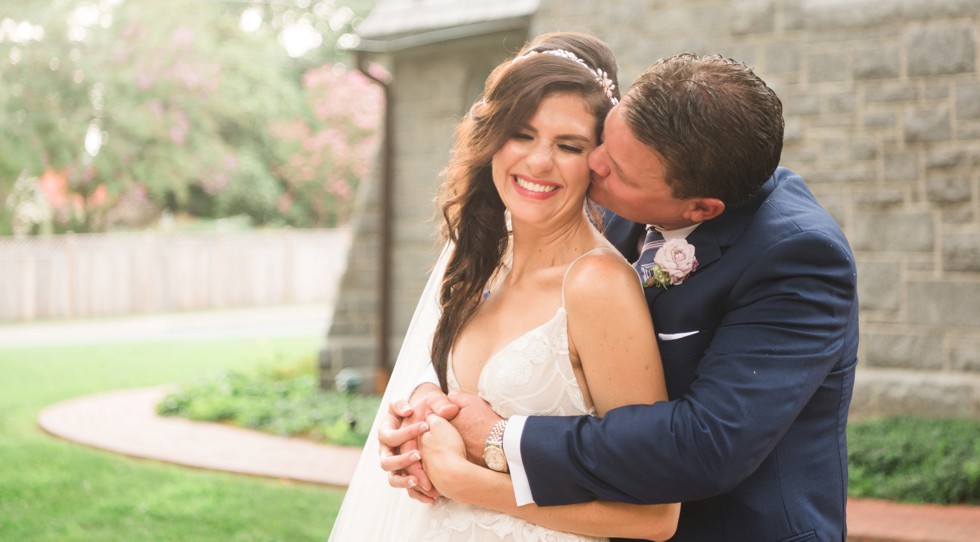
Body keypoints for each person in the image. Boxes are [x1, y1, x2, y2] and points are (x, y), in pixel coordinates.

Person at [385, 53, 860, 542]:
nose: (592, 164)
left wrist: (498, 441)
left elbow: (705, 446)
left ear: (700, 208)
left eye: (615, 171)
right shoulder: (621, 176)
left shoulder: (798, 259)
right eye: (602, 140)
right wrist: (426, 409)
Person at [328, 32, 680, 541]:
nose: (539, 162)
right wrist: (416, 430)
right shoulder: (477, 260)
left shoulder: (598, 286)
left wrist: (466, 481)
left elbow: (655, 515)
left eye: (568, 145)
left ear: (597, 162)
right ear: (492, 137)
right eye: (522, 134)